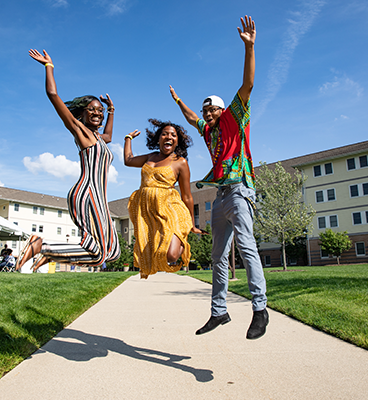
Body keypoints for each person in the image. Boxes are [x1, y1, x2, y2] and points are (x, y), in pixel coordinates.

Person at [169, 16, 269, 340]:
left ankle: (260, 309)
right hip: (220, 197)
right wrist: (179, 102)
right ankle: (218, 312)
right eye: (206, 110)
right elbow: (191, 118)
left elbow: (248, 85)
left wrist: (249, 48)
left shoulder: (234, 118)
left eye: (212, 109)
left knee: (247, 246)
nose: (208, 114)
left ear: (222, 109)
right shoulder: (208, 131)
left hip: (240, 191)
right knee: (217, 257)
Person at [16, 49, 120, 270]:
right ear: (82, 113)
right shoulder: (80, 131)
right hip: (87, 192)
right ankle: (41, 246)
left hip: (99, 197)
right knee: (99, 253)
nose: (97, 113)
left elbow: (109, 136)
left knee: (112, 252)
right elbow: (53, 95)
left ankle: (51, 252)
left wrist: (111, 110)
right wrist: (49, 67)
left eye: (99, 111)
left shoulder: (99, 138)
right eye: (92, 109)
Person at [124, 119, 204, 278]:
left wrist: (192, 225)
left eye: (173, 135)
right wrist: (128, 138)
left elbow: (187, 195)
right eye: (164, 134)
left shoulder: (180, 162)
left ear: (177, 141)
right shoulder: (150, 157)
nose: (169, 137)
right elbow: (128, 160)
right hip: (149, 211)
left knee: (171, 256)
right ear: (158, 138)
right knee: (151, 249)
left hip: (170, 208)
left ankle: (181, 237)